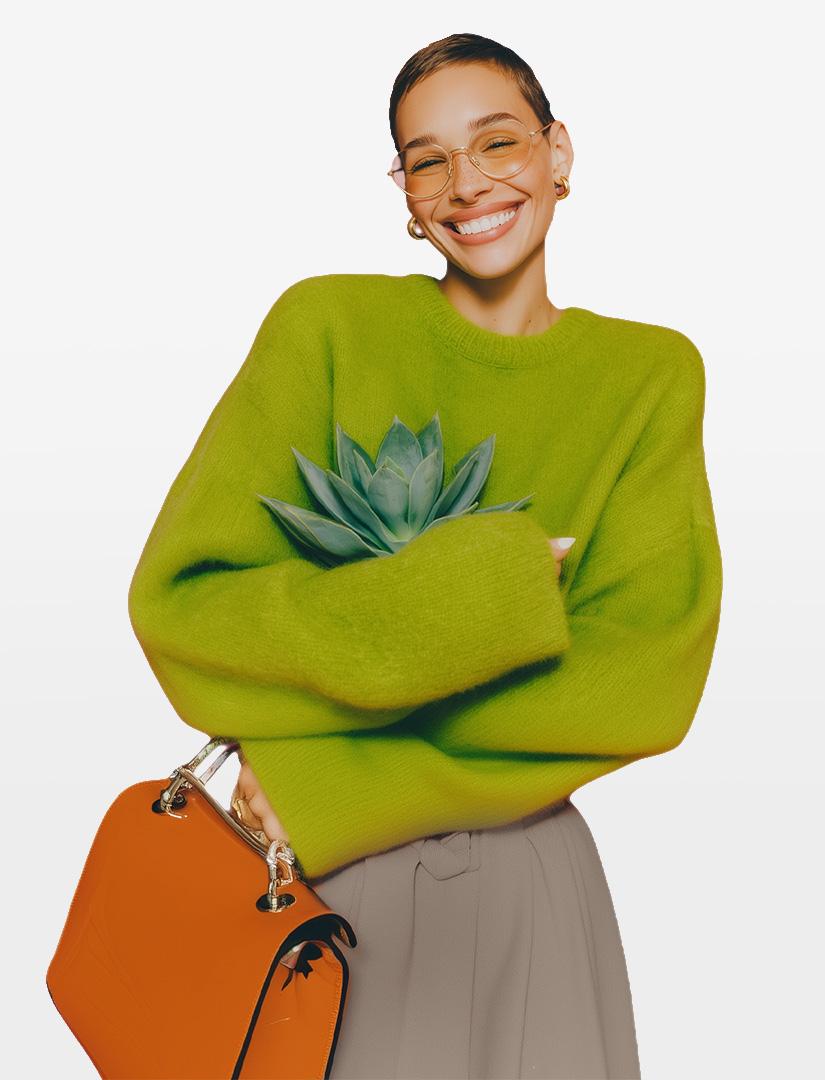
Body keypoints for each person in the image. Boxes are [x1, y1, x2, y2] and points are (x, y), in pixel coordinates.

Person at [127, 32, 722, 1080]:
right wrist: (494, 596)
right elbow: (187, 610)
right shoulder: (328, 328)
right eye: (427, 158)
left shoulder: (650, 376)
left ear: (559, 154)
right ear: (402, 193)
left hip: (522, 878)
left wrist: (334, 779)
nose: (467, 183)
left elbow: (643, 683)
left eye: (498, 142)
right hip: (328, 888)